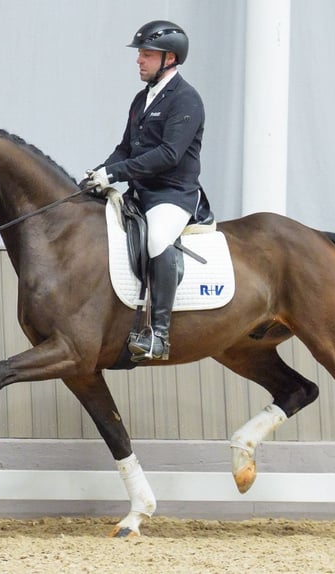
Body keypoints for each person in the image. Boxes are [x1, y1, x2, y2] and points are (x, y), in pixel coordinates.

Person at [82, 19, 213, 362]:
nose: (138, 61)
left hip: (173, 194)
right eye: (140, 54)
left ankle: (159, 334)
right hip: (141, 192)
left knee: (157, 240)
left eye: (146, 55)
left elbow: (169, 155)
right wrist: (101, 172)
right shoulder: (142, 99)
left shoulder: (186, 100)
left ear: (169, 58)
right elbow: (126, 148)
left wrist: (116, 172)